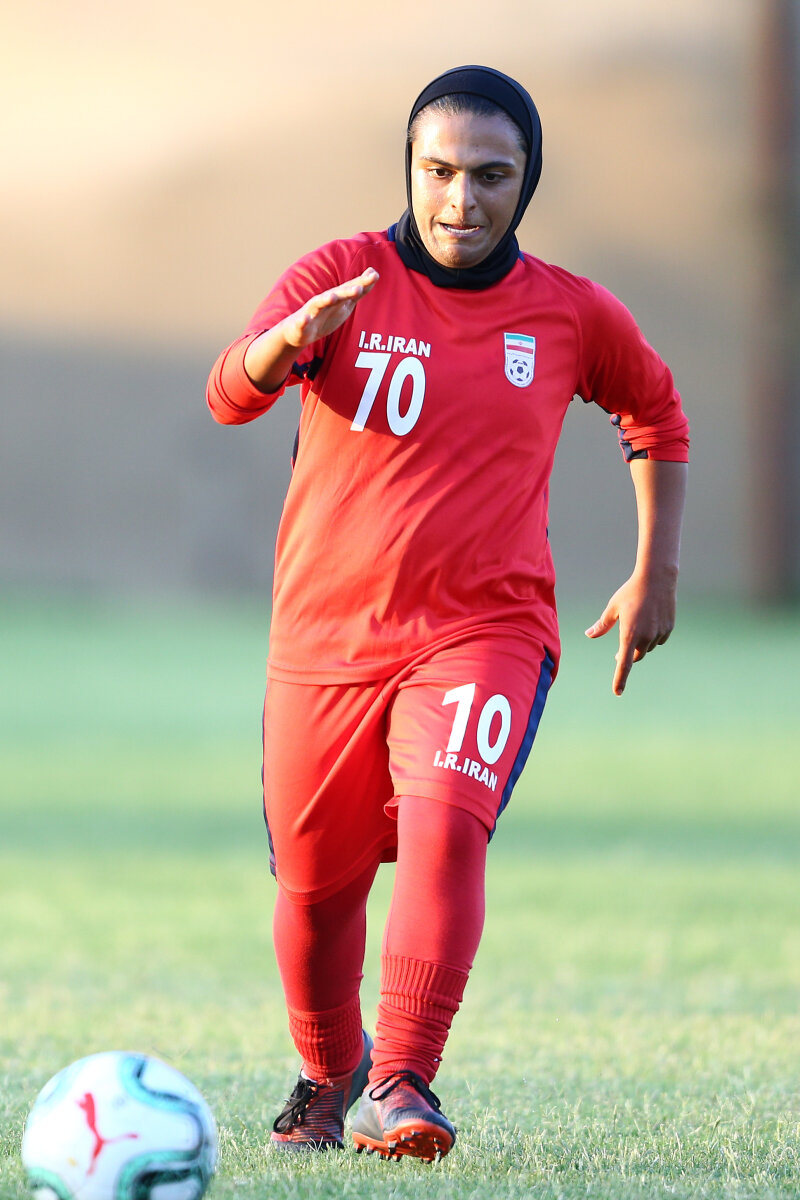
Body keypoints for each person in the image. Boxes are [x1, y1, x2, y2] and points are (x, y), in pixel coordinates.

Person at [207, 65, 689, 1163]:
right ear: (409, 170)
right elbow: (228, 396)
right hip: (325, 639)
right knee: (314, 889)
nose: (461, 200)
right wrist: (286, 343)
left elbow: (654, 411)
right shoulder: (340, 276)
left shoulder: (570, 312)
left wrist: (653, 572)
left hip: (486, 629)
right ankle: (328, 1077)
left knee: (443, 824)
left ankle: (401, 1079)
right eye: (438, 172)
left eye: (491, 175)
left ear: (527, 183)